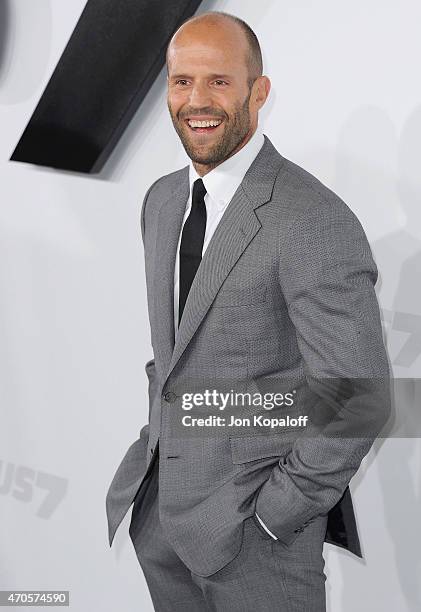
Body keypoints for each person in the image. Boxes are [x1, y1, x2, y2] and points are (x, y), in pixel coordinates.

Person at [106, 11, 390, 611]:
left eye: (219, 81)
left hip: (257, 543)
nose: (197, 100)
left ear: (259, 91)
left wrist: (273, 517)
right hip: (162, 522)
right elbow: (176, 356)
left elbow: (359, 398)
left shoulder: (310, 217)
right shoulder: (161, 200)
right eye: (182, 81)